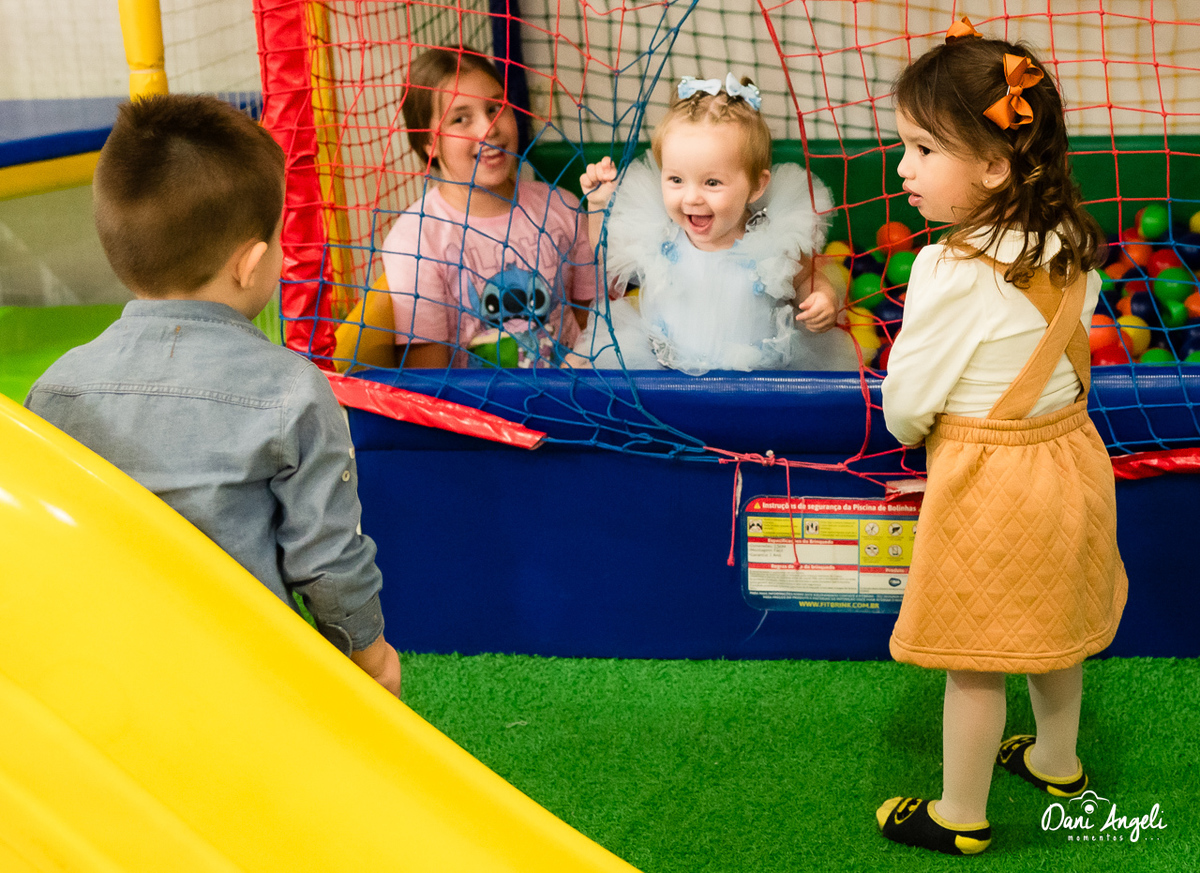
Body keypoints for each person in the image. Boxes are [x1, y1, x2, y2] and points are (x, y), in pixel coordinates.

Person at [25, 94, 402, 698]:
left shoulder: (54, 392)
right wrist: (372, 657)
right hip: (244, 684)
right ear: (251, 264)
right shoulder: (292, 391)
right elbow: (327, 562)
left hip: (106, 678)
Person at [876, 18, 1127, 855]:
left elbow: (908, 401)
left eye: (922, 149)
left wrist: (916, 431)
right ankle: (1057, 759)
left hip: (992, 480)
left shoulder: (947, 269)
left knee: (974, 655)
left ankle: (960, 813)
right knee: (1055, 628)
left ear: (992, 165)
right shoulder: (1071, 242)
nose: (903, 168)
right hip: (1071, 456)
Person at [571, 73, 858, 374]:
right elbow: (604, 250)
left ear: (756, 186)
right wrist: (598, 205)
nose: (691, 197)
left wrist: (821, 297)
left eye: (712, 182)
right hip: (664, 371)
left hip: (757, 378)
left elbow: (804, 279)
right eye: (676, 179)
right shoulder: (661, 235)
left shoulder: (770, 240)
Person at [380, 46, 600, 369]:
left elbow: (591, 324)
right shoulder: (415, 240)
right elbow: (428, 375)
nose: (488, 128)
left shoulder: (563, 208)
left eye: (496, 108)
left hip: (574, 395)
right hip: (474, 402)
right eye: (460, 118)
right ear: (429, 143)